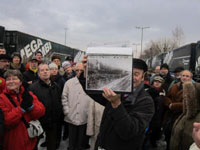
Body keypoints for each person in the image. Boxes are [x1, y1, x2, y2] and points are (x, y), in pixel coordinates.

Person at [80, 56, 155, 150]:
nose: (132, 77)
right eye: (129, 73)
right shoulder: (119, 89)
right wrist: (87, 74)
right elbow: (94, 92)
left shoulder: (146, 101)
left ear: (143, 76)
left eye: (136, 74)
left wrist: (116, 103)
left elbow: (129, 131)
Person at [0, 69, 45, 150]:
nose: (11, 81)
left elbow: (41, 112)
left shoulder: (28, 94)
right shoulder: (1, 98)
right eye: (8, 79)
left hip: (31, 140)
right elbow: (6, 121)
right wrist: (21, 109)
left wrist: (31, 106)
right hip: (13, 143)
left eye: (14, 78)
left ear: (20, 82)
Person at [30, 63, 62, 150]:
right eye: (42, 70)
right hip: (38, 122)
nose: (45, 72)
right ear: (38, 73)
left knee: (52, 145)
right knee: (34, 144)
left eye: (47, 70)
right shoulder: (33, 88)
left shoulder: (56, 86)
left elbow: (59, 101)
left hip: (53, 121)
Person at [62, 63, 91, 150]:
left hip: (84, 115)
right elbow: (64, 97)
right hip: (71, 115)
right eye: (77, 70)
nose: (79, 72)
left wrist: (89, 113)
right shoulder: (69, 83)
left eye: (81, 70)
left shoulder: (89, 83)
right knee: (72, 139)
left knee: (81, 139)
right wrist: (67, 111)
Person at [164, 70, 193, 150]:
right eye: (183, 75)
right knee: (168, 137)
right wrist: (169, 104)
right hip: (170, 117)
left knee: (179, 140)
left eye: (187, 76)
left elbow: (190, 104)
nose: (184, 77)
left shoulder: (193, 89)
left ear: (190, 78)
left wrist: (173, 106)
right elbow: (167, 97)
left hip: (182, 118)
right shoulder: (174, 86)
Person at [170, 81, 200, 150]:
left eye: (189, 94)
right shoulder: (186, 113)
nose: (185, 96)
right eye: (185, 93)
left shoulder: (197, 120)